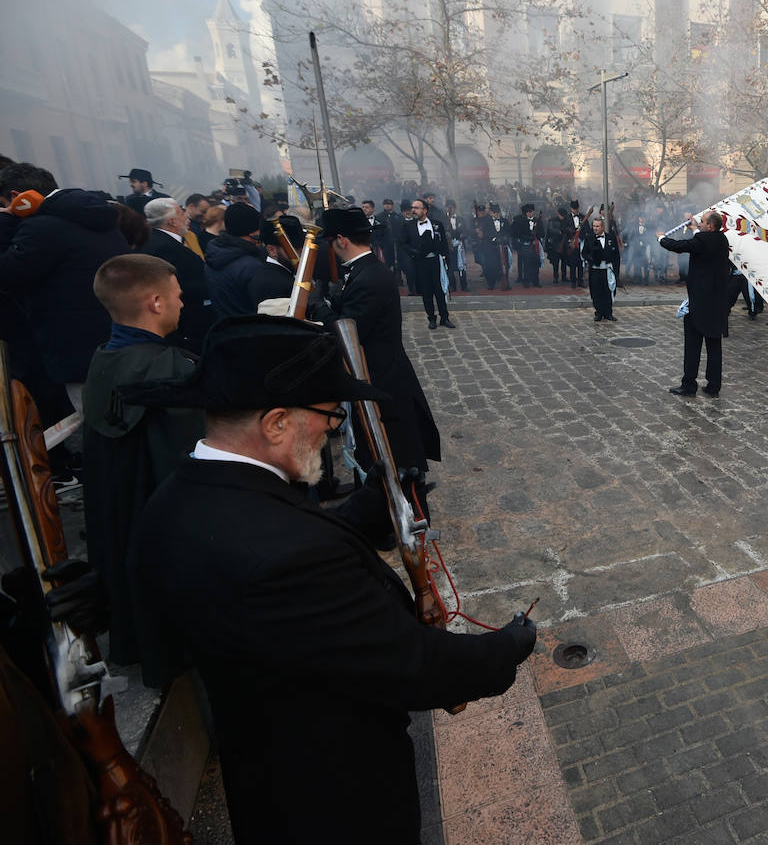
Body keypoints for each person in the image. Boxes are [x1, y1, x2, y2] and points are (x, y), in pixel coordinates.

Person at [125, 315, 536, 845]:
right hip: (335, 796)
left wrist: (366, 512)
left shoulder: (179, 499)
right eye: (326, 415)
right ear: (275, 423)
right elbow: (411, 663)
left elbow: (271, 549)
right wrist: (505, 648)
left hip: (265, 769)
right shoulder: (289, 559)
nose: (331, 429)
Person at [81, 254, 203, 665]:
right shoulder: (173, 370)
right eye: (177, 296)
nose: (182, 304)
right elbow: (192, 470)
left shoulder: (102, 359)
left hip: (119, 518)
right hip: (167, 535)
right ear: (155, 302)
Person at [320, 207, 441, 512]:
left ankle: (405, 518)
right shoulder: (364, 271)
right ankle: (383, 512)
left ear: (342, 240)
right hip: (376, 374)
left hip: (383, 378)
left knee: (397, 453)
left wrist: (320, 310)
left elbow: (349, 331)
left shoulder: (369, 277)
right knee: (378, 453)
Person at [0, 171, 129, 415]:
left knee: (101, 426)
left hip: (77, 351)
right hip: (118, 339)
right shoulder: (94, 216)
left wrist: (4, 222)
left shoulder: (40, 228)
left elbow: (7, 275)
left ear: (18, 198)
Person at [662, 211, 731, 395]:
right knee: (714, 346)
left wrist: (662, 239)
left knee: (692, 344)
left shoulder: (703, 240)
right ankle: (714, 385)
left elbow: (681, 246)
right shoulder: (721, 239)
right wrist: (694, 229)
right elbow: (701, 243)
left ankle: (689, 384)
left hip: (701, 303)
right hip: (717, 304)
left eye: (702, 222)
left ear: (710, 226)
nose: (699, 223)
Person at [141, 197, 215, 351]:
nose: (186, 218)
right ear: (172, 222)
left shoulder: (159, 240)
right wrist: (211, 284)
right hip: (186, 321)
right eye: (182, 214)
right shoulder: (162, 246)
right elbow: (173, 285)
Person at [401, 198, 454, 329]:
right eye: (412, 207)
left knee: (440, 291)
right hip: (420, 263)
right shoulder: (407, 226)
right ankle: (431, 318)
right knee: (426, 292)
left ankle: (445, 318)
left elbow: (443, 244)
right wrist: (414, 253)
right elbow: (403, 244)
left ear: (425, 210)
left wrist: (446, 259)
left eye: (416, 208)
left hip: (436, 262)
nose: (413, 210)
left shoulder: (437, 224)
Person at [583, 216, 618, 322]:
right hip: (595, 270)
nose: (595, 228)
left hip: (607, 269)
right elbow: (584, 253)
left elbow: (616, 255)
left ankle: (608, 313)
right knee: (596, 292)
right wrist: (591, 259)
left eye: (597, 226)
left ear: (602, 227)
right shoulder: (589, 238)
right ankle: (598, 313)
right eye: (594, 226)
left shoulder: (610, 237)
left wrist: (616, 270)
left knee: (607, 291)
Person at [513, 203, 543, 287]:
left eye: (532, 211)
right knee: (526, 264)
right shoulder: (520, 221)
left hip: (535, 246)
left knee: (536, 264)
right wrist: (528, 238)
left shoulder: (538, 221)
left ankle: (535, 281)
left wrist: (536, 237)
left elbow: (542, 233)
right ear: (527, 213)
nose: (532, 213)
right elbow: (518, 233)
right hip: (525, 245)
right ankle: (526, 281)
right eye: (530, 211)